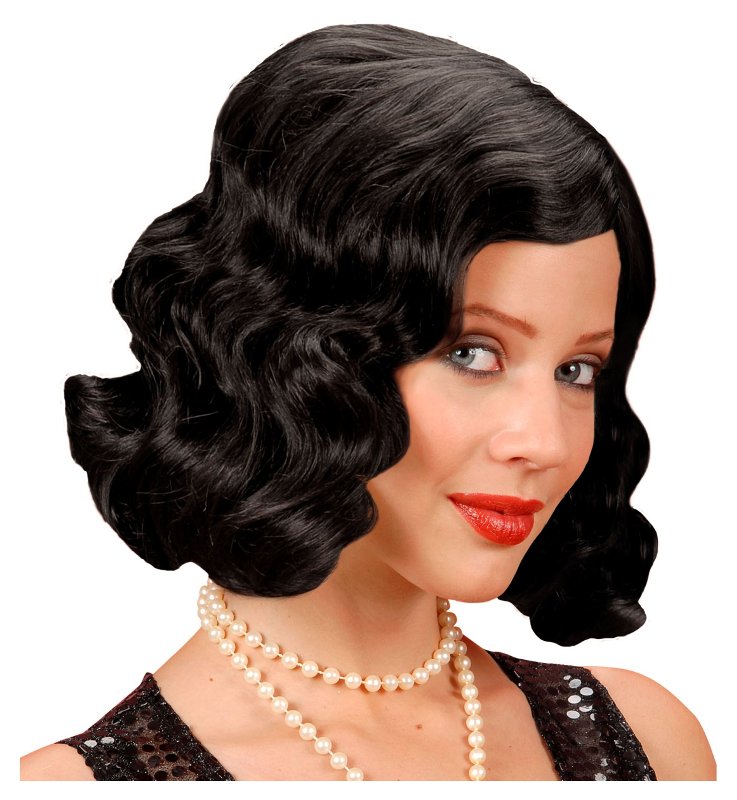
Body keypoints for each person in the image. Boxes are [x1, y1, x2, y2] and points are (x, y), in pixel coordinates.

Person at [20, 24, 715, 781]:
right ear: (298, 349)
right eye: (471, 353)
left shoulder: (651, 741)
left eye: (577, 370)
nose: (544, 443)